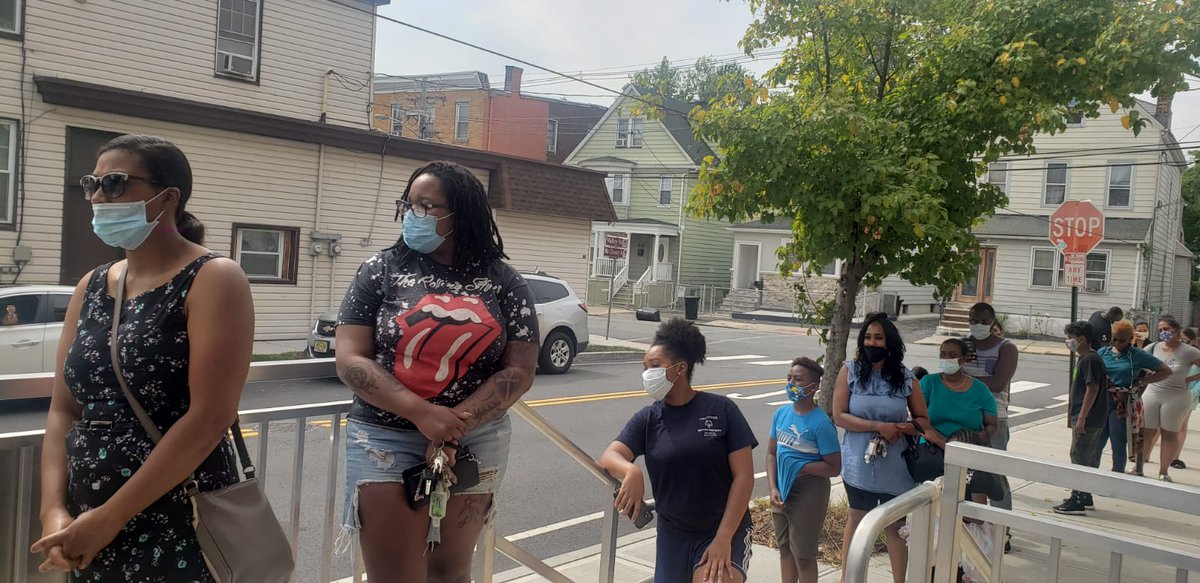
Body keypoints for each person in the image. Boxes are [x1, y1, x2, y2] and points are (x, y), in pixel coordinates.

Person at [32, 135, 254, 580]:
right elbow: (64, 407)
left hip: (177, 513)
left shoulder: (214, 278)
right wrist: (53, 509)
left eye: (115, 183)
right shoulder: (91, 285)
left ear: (166, 197)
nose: (97, 196)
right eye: (92, 183)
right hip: (87, 517)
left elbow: (211, 416)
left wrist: (112, 517)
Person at [335, 161, 540, 582]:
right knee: (396, 574)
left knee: (450, 571)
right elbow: (351, 359)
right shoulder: (380, 270)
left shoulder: (505, 282)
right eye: (408, 205)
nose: (413, 215)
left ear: (461, 213)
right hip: (384, 438)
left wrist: (452, 428)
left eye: (426, 207)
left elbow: (519, 369)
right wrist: (424, 415)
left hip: (475, 440)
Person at [600, 319, 757, 583]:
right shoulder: (648, 418)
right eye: (645, 367)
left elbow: (744, 477)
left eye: (655, 366)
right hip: (673, 535)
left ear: (680, 368)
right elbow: (609, 457)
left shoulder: (721, 410)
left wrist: (723, 538)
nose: (647, 374)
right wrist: (631, 471)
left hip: (722, 530)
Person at [833, 312, 931, 583]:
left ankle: (899, 580)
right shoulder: (850, 371)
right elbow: (840, 415)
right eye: (867, 337)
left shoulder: (905, 377)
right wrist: (877, 426)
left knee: (895, 527)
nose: (872, 343)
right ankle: (847, 578)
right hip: (858, 464)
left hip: (896, 467)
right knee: (856, 520)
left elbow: (923, 420)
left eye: (878, 338)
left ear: (890, 343)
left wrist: (901, 428)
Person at [767, 357, 841, 583]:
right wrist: (772, 487)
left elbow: (834, 467)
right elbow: (771, 454)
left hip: (809, 491)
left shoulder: (821, 424)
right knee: (785, 548)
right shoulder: (780, 414)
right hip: (782, 488)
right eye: (789, 378)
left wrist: (800, 466)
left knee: (804, 556)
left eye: (798, 380)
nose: (792, 384)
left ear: (814, 386)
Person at [961, 303, 1018, 515]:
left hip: (995, 418)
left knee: (995, 475)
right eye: (973, 321)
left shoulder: (1006, 348)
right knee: (966, 474)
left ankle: (1002, 528)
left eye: (983, 321)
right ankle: (974, 521)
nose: (978, 325)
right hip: (965, 416)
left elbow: (998, 383)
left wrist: (964, 380)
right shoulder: (963, 345)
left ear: (992, 321)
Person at [1097, 320, 1169, 474]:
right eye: (1114, 339)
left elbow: (1166, 371)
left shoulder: (1136, 355)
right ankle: (1093, 474)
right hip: (1103, 400)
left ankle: (1117, 475)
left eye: (1121, 340)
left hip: (1122, 402)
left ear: (1131, 339)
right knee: (1097, 441)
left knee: (1118, 443)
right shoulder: (1104, 352)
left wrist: (1142, 381)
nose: (1116, 343)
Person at [1052, 322, 1108, 515]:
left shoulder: (1089, 360)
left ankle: (1077, 499)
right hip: (1090, 417)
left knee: (1079, 456)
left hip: (1089, 418)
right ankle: (1085, 495)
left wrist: (1082, 416)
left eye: (1070, 338)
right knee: (1087, 456)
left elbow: (1092, 388)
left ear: (1082, 339)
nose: (1067, 342)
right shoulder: (1086, 358)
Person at [1139, 315, 1200, 482]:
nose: (1163, 333)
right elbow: (1138, 360)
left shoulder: (1188, 351)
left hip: (1177, 395)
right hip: (1153, 393)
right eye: (1160, 330)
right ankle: (1138, 466)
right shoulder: (1153, 348)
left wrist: (1191, 379)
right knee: (1147, 432)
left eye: (1166, 329)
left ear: (1176, 331)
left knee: (1169, 433)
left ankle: (1164, 470)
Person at [919, 339, 998, 450]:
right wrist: (942, 441)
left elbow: (992, 425)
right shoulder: (928, 382)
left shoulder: (981, 389)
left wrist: (975, 439)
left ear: (963, 359)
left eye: (952, 355)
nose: (946, 358)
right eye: (943, 354)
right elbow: (918, 417)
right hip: (931, 446)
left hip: (968, 449)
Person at [1176, 328, 1200, 469]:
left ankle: (1175, 457)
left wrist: (1194, 393)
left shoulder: (1195, 355)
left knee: (1182, 425)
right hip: (1171, 392)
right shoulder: (1173, 352)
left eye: (1186, 340)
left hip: (1189, 395)